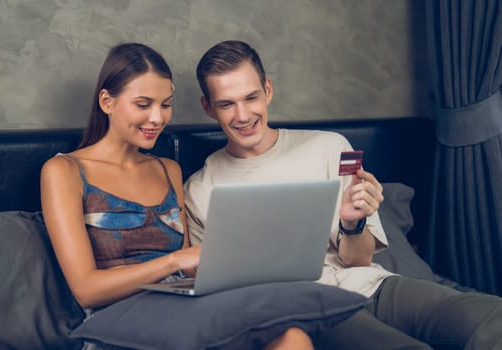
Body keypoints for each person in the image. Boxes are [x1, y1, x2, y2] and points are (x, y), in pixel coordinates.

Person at [184, 40, 502, 349]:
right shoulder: (200, 190)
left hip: (369, 285)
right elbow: (216, 292)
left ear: (268, 90)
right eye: (227, 103)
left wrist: (352, 222)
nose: (242, 115)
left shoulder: (329, 147)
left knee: (491, 316)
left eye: (250, 97)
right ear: (208, 108)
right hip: (301, 308)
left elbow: (358, 259)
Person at [40, 42, 315, 350]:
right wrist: (174, 261)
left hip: (186, 313)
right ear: (107, 101)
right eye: (143, 105)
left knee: (292, 337)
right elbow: (86, 290)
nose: (157, 118)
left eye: (165, 104)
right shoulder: (64, 170)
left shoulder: (168, 169)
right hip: (118, 323)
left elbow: (190, 270)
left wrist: (235, 261)